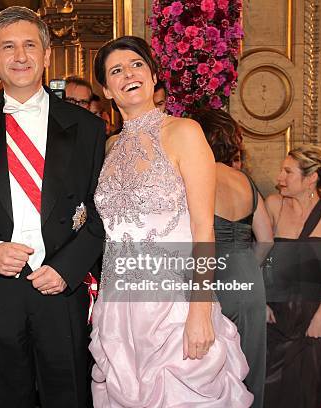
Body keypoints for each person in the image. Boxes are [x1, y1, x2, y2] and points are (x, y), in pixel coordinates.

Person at [0, 6, 106, 407]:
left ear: (47, 55)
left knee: (69, 394)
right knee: (3, 395)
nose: (20, 56)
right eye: (7, 47)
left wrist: (67, 269)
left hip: (61, 287)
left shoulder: (88, 127)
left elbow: (104, 210)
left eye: (30, 45)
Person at [89, 36, 253, 407]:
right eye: (116, 70)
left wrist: (199, 309)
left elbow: (203, 229)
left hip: (175, 305)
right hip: (118, 310)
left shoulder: (184, 133)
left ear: (153, 74)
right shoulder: (110, 148)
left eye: (136, 65)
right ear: (106, 89)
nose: (128, 74)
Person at [194, 108, 273, 407]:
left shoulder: (195, 177)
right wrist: (245, 263)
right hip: (248, 277)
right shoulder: (244, 180)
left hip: (211, 277)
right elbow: (266, 240)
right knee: (250, 370)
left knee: (210, 374)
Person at [264, 145, 321, 408]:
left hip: (316, 321)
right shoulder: (273, 206)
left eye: (287, 171)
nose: (279, 176)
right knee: (269, 396)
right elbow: (260, 259)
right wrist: (262, 301)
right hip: (275, 321)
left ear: (311, 178)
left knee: (308, 396)